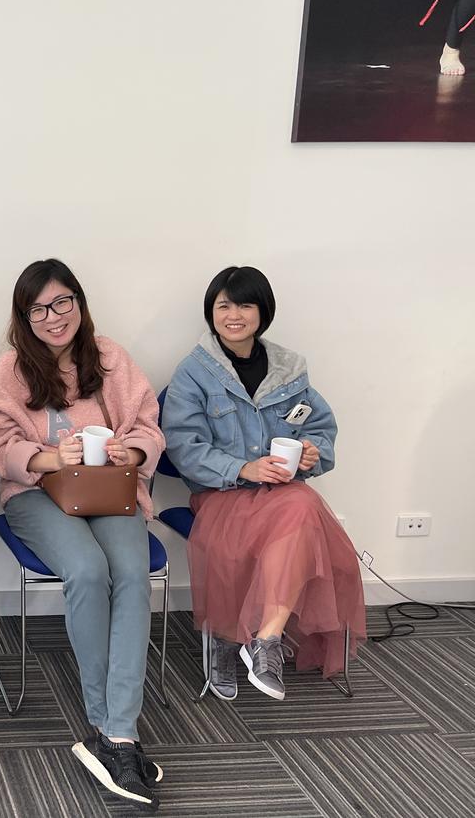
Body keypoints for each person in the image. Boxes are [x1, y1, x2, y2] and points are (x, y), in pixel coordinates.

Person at [0, 258, 165, 812]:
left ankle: (118, 733)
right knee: (86, 569)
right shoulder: (12, 370)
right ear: (23, 317)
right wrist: (46, 457)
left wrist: (130, 453)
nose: (53, 317)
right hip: (36, 495)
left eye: (63, 302)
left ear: (79, 303)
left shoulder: (109, 358)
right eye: (38, 309)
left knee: (131, 574)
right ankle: (105, 722)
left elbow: (149, 426)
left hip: (109, 489)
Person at [161, 266, 365, 705]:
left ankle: (265, 639)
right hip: (221, 494)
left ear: (263, 311)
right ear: (211, 312)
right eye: (224, 306)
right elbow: (182, 448)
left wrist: (311, 452)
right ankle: (236, 638)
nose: (234, 315)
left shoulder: (290, 370)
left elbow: (321, 428)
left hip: (280, 493)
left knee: (301, 504)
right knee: (300, 514)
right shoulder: (193, 372)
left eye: (245, 305)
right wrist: (244, 469)